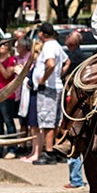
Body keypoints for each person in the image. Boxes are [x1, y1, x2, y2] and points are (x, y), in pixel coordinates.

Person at [30, 23, 66, 164]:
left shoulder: (48, 46)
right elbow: (66, 61)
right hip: (56, 86)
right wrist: (58, 75)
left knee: (47, 122)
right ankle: (57, 150)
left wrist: (43, 79)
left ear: (41, 33)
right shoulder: (56, 45)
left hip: (48, 89)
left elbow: (50, 63)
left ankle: (49, 152)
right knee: (56, 120)